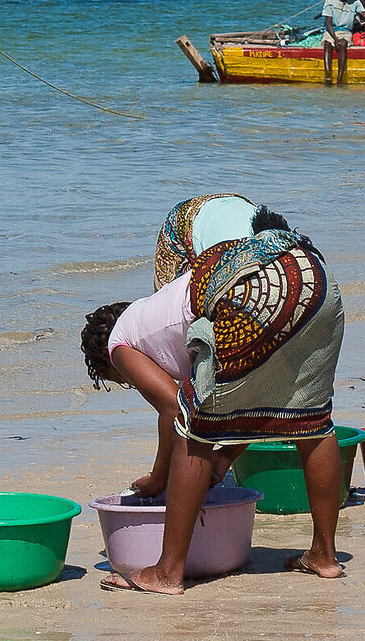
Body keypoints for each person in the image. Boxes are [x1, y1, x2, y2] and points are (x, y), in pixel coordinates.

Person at [85, 221, 346, 593]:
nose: (130, 382)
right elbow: (251, 406)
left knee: (196, 428)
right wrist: (223, 463)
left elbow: (176, 412)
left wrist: (158, 479)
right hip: (313, 278)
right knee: (311, 418)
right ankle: (324, 555)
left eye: (122, 380)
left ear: (109, 364)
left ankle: (166, 572)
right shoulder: (157, 309)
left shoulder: (120, 343)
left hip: (252, 291)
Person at [153, 194, 274, 287]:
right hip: (184, 217)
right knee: (169, 289)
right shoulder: (228, 258)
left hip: (232, 203)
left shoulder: (280, 242)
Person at [318, 0, 362, 87]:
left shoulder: (355, 2)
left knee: (343, 44)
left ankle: (339, 78)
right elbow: (328, 24)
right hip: (331, 31)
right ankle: (328, 75)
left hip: (345, 31)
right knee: (328, 44)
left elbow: (364, 15)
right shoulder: (330, 1)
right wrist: (335, 39)